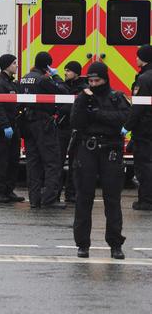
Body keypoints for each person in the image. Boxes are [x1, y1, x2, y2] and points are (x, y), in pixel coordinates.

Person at [71, 61, 129, 259]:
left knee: (112, 199)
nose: (94, 84)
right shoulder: (83, 97)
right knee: (83, 198)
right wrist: (83, 103)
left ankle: (115, 244)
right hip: (88, 149)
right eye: (91, 80)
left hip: (110, 151)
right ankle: (82, 244)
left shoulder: (116, 97)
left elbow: (123, 119)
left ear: (105, 79)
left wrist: (98, 114)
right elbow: (76, 122)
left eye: (97, 80)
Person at [19, 51, 68, 209]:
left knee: (33, 162)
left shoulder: (25, 77)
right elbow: (63, 92)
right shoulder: (44, 79)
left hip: (28, 122)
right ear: (47, 65)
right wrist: (56, 76)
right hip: (43, 123)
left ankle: (34, 199)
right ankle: (50, 199)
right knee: (52, 161)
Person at [0, 54, 24, 203]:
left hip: (14, 127)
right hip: (2, 130)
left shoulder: (13, 84)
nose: (16, 65)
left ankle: (9, 191)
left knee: (13, 161)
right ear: (6, 65)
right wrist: (5, 126)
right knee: (1, 162)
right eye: (14, 63)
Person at [124, 44, 152, 210]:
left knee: (144, 164)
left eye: (138, 56)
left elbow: (138, 107)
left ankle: (146, 200)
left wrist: (127, 126)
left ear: (144, 58)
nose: (136, 58)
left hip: (145, 128)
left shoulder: (143, 79)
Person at [56, 61, 88, 203]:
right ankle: (55, 194)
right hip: (63, 129)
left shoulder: (83, 88)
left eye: (68, 71)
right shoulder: (63, 86)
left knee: (75, 163)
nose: (65, 73)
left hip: (77, 130)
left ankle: (71, 193)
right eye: (65, 70)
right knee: (58, 161)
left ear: (76, 73)